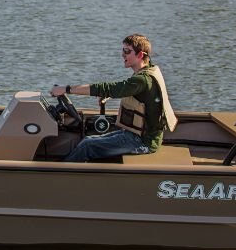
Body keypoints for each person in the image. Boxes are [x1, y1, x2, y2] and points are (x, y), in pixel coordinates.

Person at [49, 34, 177, 162]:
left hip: (142, 142)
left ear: (140, 55)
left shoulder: (143, 80)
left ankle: (59, 173)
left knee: (87, 146)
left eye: (127, 51)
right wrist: (109, 94)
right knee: (87, 139)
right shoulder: (146, 71)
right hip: (136, 135)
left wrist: (66, 89)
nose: (123, 55)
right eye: (123, 50)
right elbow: (127, 90)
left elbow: (107, 88)